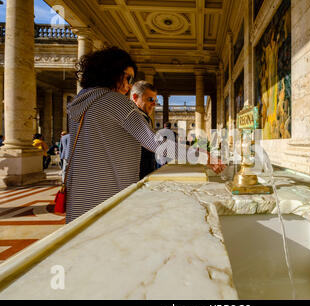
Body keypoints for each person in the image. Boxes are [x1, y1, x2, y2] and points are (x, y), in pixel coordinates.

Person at [66, 47, 224, 223]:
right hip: (108, 198)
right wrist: (202, 156)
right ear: (112, 73)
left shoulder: (79, 105)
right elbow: (156, 143)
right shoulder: (115, 101)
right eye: (128, 78)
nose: (128, 86)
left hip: (79, 199)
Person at [131, 81, 158, 180]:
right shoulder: (134, 116)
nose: (154, 104)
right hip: (138, 176)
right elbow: (155, 143)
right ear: (135, 97)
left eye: (155, 100)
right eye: (150, 99)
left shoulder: (144, 117)